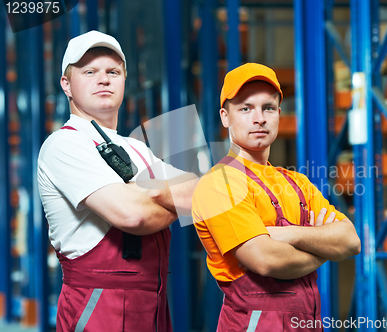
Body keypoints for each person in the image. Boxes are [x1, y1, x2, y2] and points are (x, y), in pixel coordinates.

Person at [38, 30, 198, 332]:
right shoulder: (64, 145)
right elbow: (133, 216)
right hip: (98, 308)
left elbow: (197, 190)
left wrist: (143, 194)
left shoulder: (136, 147)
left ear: (124, 80)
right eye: (89, 72)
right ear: (66, 84)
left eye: (113, 71)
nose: (104, 79)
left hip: (153, 303)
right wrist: (162, 197)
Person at [192, 63, 361, 331]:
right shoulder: (220, 183)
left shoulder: (297, 183)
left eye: (268, 108)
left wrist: (293, 235)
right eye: (245, 109)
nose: (259, 118)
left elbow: (350, 241)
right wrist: (323, 250)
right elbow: (265, 259)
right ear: (225, 117)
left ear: (279, 113)